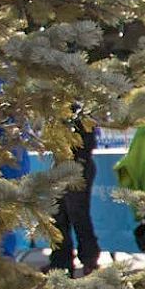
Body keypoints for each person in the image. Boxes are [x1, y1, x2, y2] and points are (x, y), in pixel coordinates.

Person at [44, 113, 100, 278]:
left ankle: (89, 259)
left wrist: (80, 161)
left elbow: (87, 139)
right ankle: (61, 261)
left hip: (77, 165)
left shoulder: (77, 110)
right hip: (60, 165)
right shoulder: (54, 111)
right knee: (57, 215)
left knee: (78, 214)